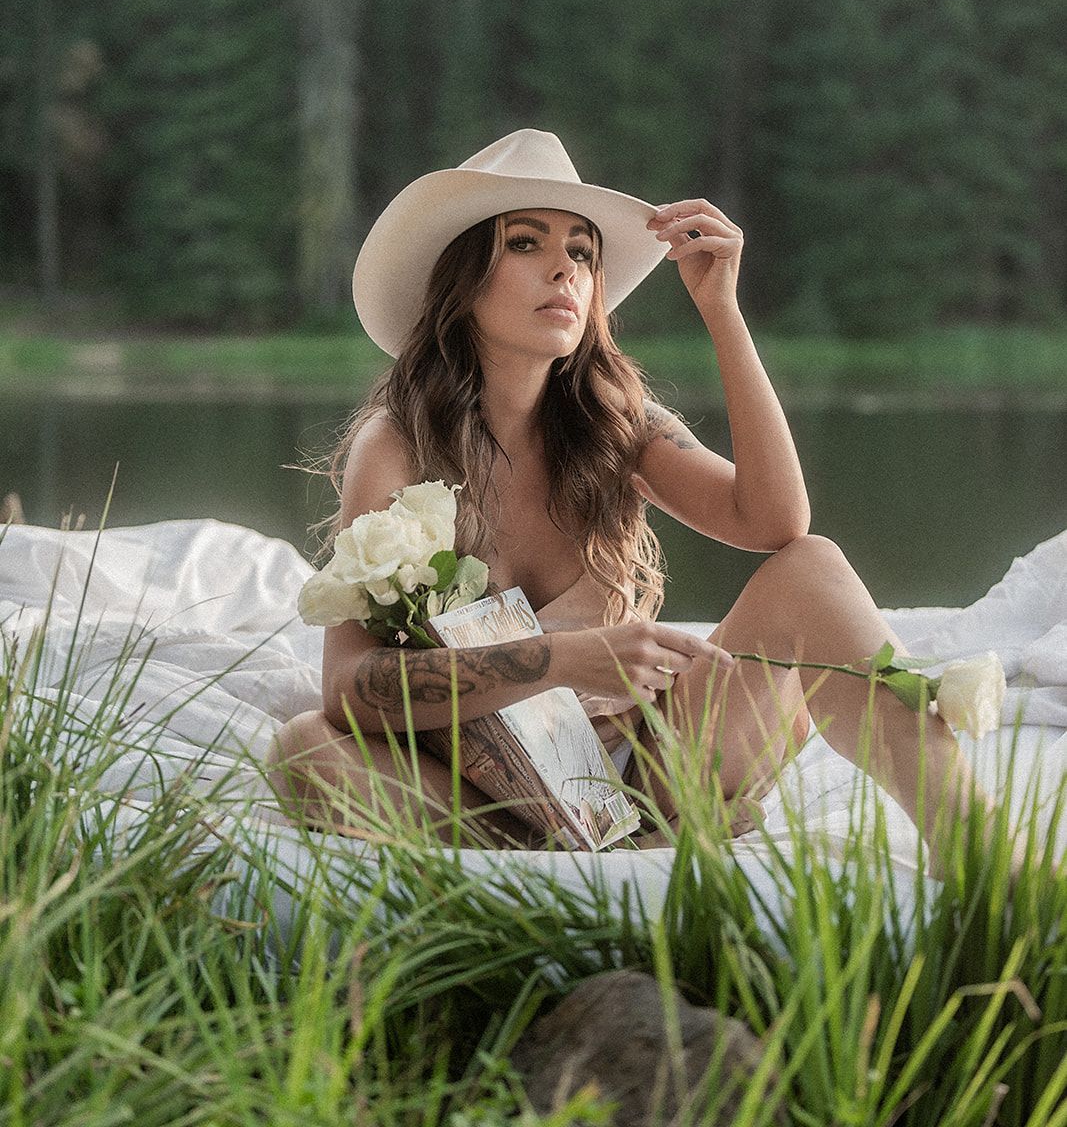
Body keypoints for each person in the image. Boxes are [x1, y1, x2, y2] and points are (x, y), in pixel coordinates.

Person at [266, 128, 1015, 873]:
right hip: (476, 786)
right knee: (304, 750)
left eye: (583, 253)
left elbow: (774, 523)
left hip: (651, 768)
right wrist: (561, 659)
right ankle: (581, 855)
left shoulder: (613, 420)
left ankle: (983, 863)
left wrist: (721, 311)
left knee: (811, 567)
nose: (564, 267)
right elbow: (348, 691)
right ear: (462, 283)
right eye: (526, 244)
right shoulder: (397, 447)